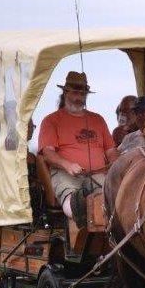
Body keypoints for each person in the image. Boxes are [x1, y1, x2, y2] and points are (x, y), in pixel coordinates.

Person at [38, 71, 118, 223]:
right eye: (75, 92)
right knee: (73, 203)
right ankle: (81, 222)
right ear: (65, 92)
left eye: (82, 93)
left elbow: (111, 150)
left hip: (97, 175)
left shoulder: (98, 119)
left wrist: (115, 166)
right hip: (66, 174)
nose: (79, 97)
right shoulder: (51, 120)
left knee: (115, 198)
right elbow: (48, 152)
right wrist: (67, 165)